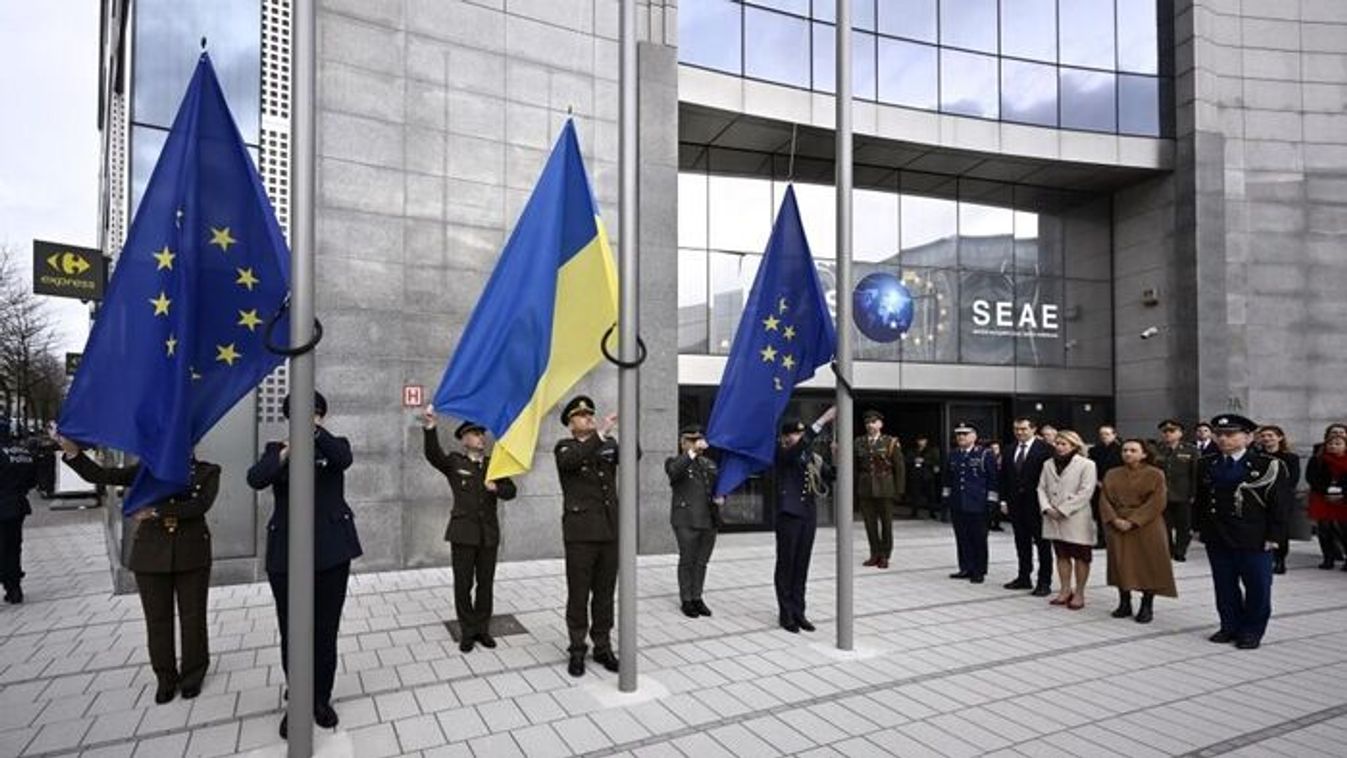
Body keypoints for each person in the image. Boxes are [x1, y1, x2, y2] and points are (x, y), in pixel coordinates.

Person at [58, 432, 219, 704]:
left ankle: (193, 676)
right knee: (157, 620)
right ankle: (165, 678)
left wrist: (156, 512)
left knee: (193, 618)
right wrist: (73, 452)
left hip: (192, 552)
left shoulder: (208, 471)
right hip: (151, 554)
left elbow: (200, 505)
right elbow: (102, 475)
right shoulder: (146, 471)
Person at [247, 392, 362, 736]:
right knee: (292, 631)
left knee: (325, 631)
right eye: (298, 414)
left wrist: (312, 434)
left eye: (313, 414)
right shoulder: (275, 450)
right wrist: (286, 452)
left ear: (321, 417)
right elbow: (256, 478)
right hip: (286, 555)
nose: (306, 418)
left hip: (331, 552)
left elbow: (343, 459)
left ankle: (320, 699)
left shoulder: (333, 444)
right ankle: (297, 700)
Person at [422, 408, 517, 652]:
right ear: (464, 440)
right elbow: (433, 455)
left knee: (485, 584)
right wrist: (430, 427)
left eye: (482, 434)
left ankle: (482, 629)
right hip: (463, 534)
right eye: (475, 434)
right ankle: (467, 630)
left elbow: (511, 491)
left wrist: (497, 488)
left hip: (488, 535)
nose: (481, 437)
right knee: (463, 584)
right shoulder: (455, 462)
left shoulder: (494, 465)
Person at [1194, 414, 1287, 650]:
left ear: (1248, 437)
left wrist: (1274, 536)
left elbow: (1280, 504)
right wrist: (1198, 528)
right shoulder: (1207, 463)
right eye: (1219, 434)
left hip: (1254, 536)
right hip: (1218, 535)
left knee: (1257, 587)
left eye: (1230, 434)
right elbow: (1202, 500)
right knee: (1224, 585)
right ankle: (1229, 626)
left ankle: (1252, 631)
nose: (1223, 439)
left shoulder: (1267, 465)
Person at [554, 395, 622, 677]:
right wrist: (601, 435)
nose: (589, 418)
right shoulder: (565, 447)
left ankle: (603, 646)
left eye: (590, 414)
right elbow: (574, 461)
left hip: (609, 530)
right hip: (580, 533)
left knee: (605, 594)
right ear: (571, 424)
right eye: (582, 415)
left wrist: (628, 430)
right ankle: (577, 648)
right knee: (579, 594)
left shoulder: (607, 444)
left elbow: (634, 457)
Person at [1100, 439, 1176, 623]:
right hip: (1118, 523)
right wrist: (1114, 519)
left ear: (1144, 454)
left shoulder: (1155, 474)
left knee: (1148, 563)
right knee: (1120, 562)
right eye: (1125, 450)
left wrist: (1134, 521)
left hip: (1147, 525)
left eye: (1133, 450)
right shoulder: (1112, 473)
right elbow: (1104, 499)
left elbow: (1158, 501)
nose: (1127, 453)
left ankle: (1147, 604)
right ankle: (1124, 602)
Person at [775, 406, 837, 632]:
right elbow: (798, 450)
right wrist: (823, 420)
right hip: (789, 515)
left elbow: (831, 476)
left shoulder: (810, 456)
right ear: (785, 437)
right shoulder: (781, 453)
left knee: (802, 565)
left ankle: (799, 611)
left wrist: (837, 456)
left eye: (800, 433)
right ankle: (785, 614)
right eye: (794, 433)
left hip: (808, 514)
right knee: (787, 565)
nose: (798, 437)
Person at [1038, 430, 1098, 609]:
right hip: (1052, 516)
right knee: (1061, 555)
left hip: (1076, 517)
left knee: (1081, 557)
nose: (1059, 447)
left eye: (1064, 444)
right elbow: (1041, 488)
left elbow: (1086, 491)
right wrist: (1047, 508)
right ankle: (1065, 590)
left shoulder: (1087, 464)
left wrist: (1063, 510)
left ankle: (1079, 593)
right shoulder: (1048, 463)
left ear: (1074, 445)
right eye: (1057, 443)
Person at [666, 423, 721, 617]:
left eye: (699, 439)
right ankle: (686, 599)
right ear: (683, 443)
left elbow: (717, 485)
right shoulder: (674, 461)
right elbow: (674, 472)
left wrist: (722, 496)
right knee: (687, 560)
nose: (696, 443)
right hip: (686, 519)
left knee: (701, 562)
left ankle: (697, 597)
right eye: (691, 440)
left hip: (708, 519)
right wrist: (692, 452)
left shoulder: (708, 464)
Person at [999, 418, 1054, 596]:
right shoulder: (1009, 449)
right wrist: (1003, 500)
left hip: (1037, 505)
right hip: (1016, 505)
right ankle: (1024, 577)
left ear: (1033, 429)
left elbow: (1051, 479)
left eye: (1023, 429)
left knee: (1042, 544)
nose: (1019, 432)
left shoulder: (1046, 449)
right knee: (1021, 543)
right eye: (1016, 429)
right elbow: (1004, 476)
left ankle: (1044, 581)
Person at [943, 422, 999, 584]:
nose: (961, 437)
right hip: (958, 503)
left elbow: (993, 480)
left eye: (965, 434)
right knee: (962, 537)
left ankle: (979, 570)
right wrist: (946, 498)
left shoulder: (984, 454)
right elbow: (948, 479)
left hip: (978, 504)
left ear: (974, 436)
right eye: (958, 434)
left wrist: (992, 501)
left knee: (978, 538)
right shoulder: (953, 454)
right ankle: (965, 567)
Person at [855, 409, 903, 568]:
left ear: (880, 424)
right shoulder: (859, 442)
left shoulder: (890, 442)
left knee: (886, 524)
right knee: (870, 524)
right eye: (867, 422)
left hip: (885, 487)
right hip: (865, 487)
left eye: (873, 422)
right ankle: (874, 554)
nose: (870, 425)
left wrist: (899, 490)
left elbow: (899, 467)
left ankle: (885, 555)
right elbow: (854, 466)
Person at [0, 422, 38, 604]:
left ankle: (9, 582)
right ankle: (14, 587)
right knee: (13, 547)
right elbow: (33, 481)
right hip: (18, 505)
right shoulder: (23, 453)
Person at [1255, 425, 1300, 575]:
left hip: (1282, 498)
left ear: (1280, 437)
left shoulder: (1290, 458)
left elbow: (1293, 480)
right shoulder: (1256, 456)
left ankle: (1280, 560)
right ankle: (1266, 558)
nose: (1266, 439)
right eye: (1263, 436)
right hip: (1260, 498)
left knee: (1280, 528)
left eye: (1270, 435)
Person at [1154, 419, 1200, 562]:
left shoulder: (1190, 450)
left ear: (1180, 433)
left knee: (1183, 526)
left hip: (1183, 493)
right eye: (1165, 431)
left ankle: (1180, 550)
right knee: (1164, 525)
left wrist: (1193, 493)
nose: (1168, 434)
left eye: (1172, 431)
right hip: (1162, 494)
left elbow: (1195, 474)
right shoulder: (1157, 449)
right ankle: (1168, 549)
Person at [1305, 431, 1347, 570]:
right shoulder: (1318, 459)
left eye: (1338, 444)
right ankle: (1328, 557)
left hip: (1343, 499)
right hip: (1322, 497)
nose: (1333, 446)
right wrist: (1326, 490)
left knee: (1343, 529)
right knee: (1324, 529)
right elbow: (1311, 478)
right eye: (1330, 444)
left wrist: (1341, 492)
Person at [1088, 426, 1124, 549]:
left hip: (1117, 485)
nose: (1104, 436)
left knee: (1116, 512)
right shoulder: (1094, 450)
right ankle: (1102, 539)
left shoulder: (1121, 449)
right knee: (1100, 514)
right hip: (1099, 484)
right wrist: (1097, 481)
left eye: (1107, 434)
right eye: (1102, 434)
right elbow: (1091, 467)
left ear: (1114, 435)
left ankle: (1115, 539)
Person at [906, 435, 941, 520]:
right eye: (919, 440)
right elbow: (907, 460)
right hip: (916, 474)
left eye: (922, 440)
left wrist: (924, 461)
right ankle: (914, 511)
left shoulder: (931, 450)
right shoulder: (912, 450)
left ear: (926, 441)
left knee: (931, 495)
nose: (920, 442)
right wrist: (914, 460)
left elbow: (936, 461)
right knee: (915, 494)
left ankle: (932, 512)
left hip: (927, 475)